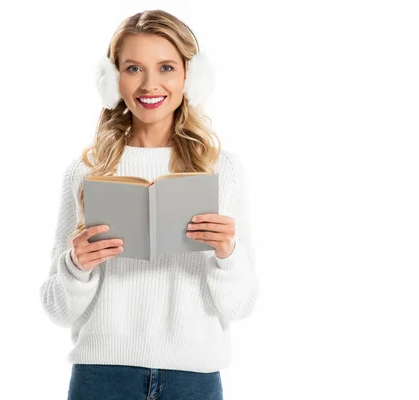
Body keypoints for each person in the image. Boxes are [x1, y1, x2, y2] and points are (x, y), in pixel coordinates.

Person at [39, 9, 260, 400]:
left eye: (166, 67)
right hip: (101, 376)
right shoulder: (87, 171)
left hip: (193, 378)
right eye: (133, 68)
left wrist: (228, 253)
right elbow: (58, 309)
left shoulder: (220, 170)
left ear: (190, 76)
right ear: (113, 79)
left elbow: (241, 305)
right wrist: (77, 266)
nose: (150, 84)